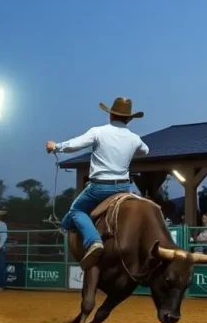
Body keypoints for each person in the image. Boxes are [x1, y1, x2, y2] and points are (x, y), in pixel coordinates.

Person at [46, 97, 149, 270]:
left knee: (76, 210)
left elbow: (75, 145)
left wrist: (55, 146)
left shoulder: (98, 132)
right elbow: (145, 151)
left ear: (110, 115)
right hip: (124, 188)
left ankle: (93, 241)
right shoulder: (134, 138)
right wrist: (129, 152)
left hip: (100, 187)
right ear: (129, 119)